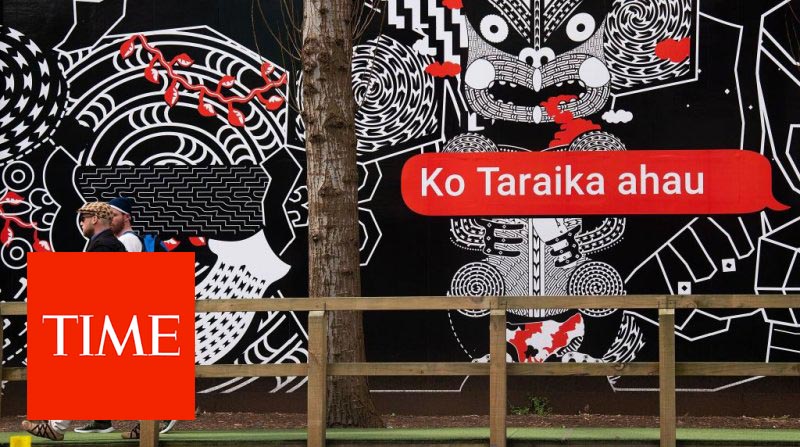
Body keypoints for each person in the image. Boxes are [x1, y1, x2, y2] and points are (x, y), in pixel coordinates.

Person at [21, 202, 125, 440]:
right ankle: (57, 427)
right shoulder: (106, 244)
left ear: (96, 219)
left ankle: (56, 427)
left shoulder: (103, 246)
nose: (82, 222)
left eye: (84, 218)